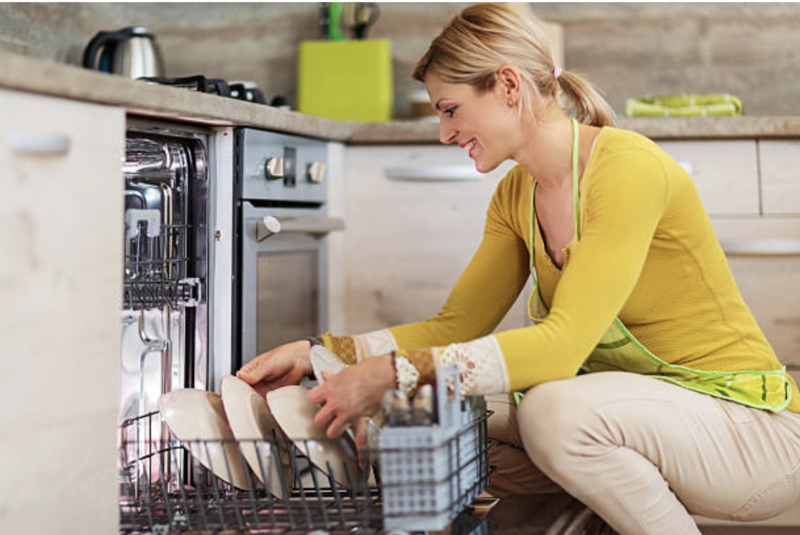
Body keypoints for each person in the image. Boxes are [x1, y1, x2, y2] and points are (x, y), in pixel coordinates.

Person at [237, 3, 800, 534]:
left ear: (507, 87)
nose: (445, 133)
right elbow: (455, 327)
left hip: (752, 435)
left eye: (451, 110)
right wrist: (321, 353)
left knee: (553, 410)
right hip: (647, 416)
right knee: (431, 405)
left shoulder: (626, 169)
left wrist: (391, 372)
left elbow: (561, 349)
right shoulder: (517, 193)